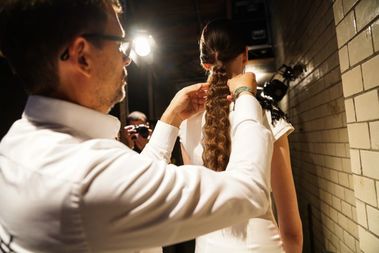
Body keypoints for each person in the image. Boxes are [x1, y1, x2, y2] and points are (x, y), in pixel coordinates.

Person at [0, 1, 274, 252]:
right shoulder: (88, 177)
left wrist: (170, 119)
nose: (127, 58)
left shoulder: (14, 144)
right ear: (82, 56)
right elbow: (247, 192)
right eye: (119, 44)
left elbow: (135, 177)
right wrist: (245, 98)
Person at [179, 19, 303, 253]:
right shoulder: (264, 112)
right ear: (245, 55)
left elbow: (195, 212)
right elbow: (291, 229)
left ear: (205, 64)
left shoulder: (186, 122)